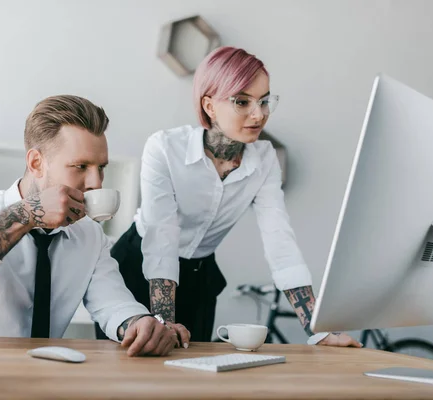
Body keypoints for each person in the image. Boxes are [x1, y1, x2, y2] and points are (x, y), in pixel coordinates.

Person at [95, 47, 361, 348]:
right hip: (138, 266)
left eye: (264, 101)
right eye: (242, 101)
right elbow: (162, 236)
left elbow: (280, 243)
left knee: (193, 378)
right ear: (209, 105)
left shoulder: (264, 160)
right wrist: (163, 323)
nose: (258, 114)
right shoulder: (166, 148)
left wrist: (318, 330)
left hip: (199, 277)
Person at [0, 95, 190, 357]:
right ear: (36, 163)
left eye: (101, 167)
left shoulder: (89, 234)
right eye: (81, 167)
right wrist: (25, 215)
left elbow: (113, 304)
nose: (96, 183)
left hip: (47, 379)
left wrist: (139, 323)